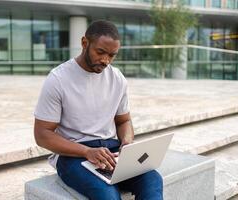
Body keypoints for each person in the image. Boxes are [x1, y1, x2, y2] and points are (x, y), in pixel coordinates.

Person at [33, 20, 163, 200]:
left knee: (152, 180)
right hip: (73, 156)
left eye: (112, 55)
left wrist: (127, 142)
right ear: (84, 43)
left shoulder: (117, 78)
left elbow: (123, 121)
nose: (105, 60)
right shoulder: (58, 79)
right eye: (100, 52)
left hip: (111, 151)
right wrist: (86, 152)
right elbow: (42, 134)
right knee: (106, 194)